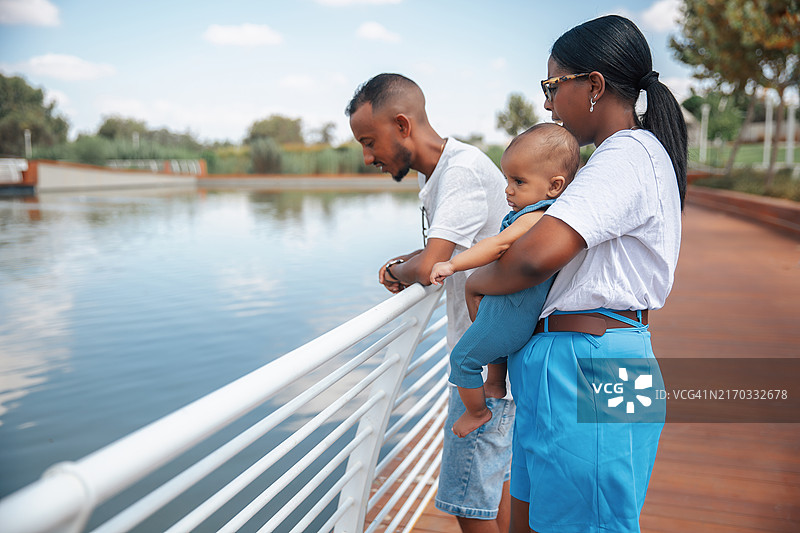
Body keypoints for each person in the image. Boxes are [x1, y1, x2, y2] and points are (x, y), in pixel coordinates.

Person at [465, 15, 687, 533]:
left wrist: (474, 281)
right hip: (596, 357)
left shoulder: (626, 155)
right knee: (549, 519)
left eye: (551, 85)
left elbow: (531, 257)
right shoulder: (632, 156)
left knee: (583, 524)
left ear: (593, 85)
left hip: (588, 366)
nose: (546, 103)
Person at [347, 73, 514, 533]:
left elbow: (431, 266)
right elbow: (448, 252)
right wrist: (410, 260)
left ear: (402, 125)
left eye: (369, 141)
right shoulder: (444, 170)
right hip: (492, 353)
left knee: (467, 501)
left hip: (485, 366)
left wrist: (397, 271)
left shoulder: (459, 171)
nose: (367, 157)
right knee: (487, 489)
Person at [429, 124, 579, 439]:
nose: (508, 189)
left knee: (463, 359)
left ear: (554, 186)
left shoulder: (535, 217)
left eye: (519, 181)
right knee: (487, 345)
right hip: (509, 310)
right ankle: (495, 383)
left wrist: (453, 264)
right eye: (507, 179)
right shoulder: (538, 214)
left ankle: (477, 411)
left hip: (512, 313)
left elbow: (496, 245)